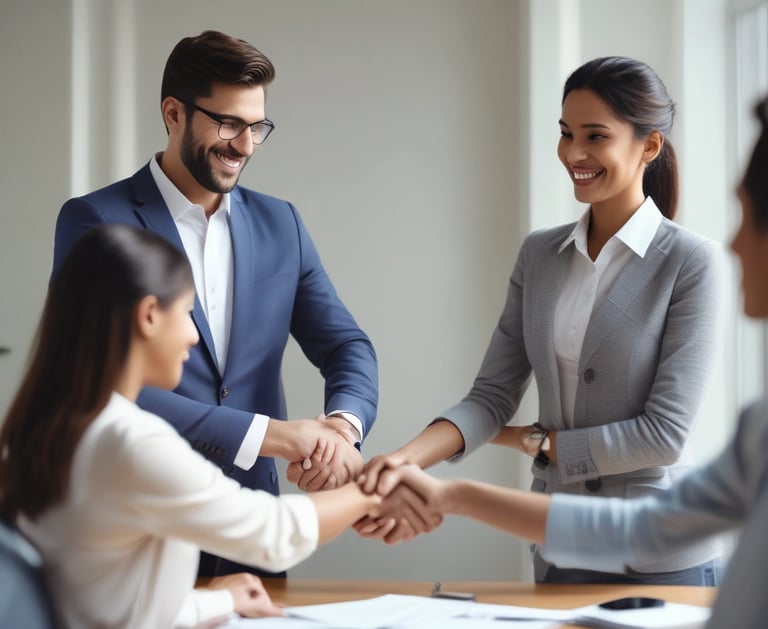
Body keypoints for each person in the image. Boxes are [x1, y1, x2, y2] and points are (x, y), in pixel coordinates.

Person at [373, 96, 768, 628]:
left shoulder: (690, 260)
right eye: (566, 132)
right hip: (562, 553)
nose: (574, 151)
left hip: (661, 574)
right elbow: (491, 396)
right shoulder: (540, 255)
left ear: (648, 145)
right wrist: (410, 467)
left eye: (595, 135)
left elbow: (662, 436)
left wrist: (539, 445)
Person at [51, 30, 378, 577]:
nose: (245, 145)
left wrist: (340, 433)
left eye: (257, 127)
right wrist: (273, 436)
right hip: (136, 530)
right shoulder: (96, 221)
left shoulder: (282, 224)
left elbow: (346, 344)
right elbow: (95, 380)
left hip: (253, 536)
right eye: (228, 124)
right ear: (173, 113)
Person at [0, 224, 434, 629]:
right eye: (187, 312)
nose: (193, 337)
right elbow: (274, 533)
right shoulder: (130, 441)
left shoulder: (52, 427)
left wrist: (223, 601)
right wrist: (373, 488)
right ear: (149, 315)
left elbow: (110, 603)